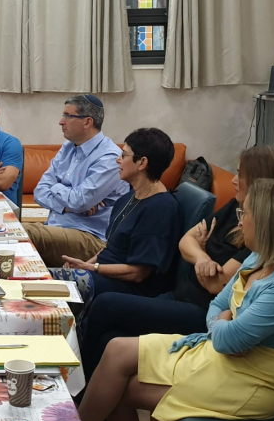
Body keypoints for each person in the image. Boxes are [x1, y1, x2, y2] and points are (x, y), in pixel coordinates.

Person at [78, 179, 274, 421]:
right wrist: (224, 320)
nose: (239, 223)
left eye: (244, 214)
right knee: (117, 349)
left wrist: (224, 324)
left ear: (268, 223)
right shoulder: (260, 257)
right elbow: (218, 305)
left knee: (123, 390)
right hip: (224, 357)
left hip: (251, 382)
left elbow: (227, 340)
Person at [79, 145, 274, 380]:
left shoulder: (262, 231)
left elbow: (218, 285)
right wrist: (202, 258)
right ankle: (79, 388)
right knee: (109, 337)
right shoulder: (235, 207)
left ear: (261, 180)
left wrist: (199, 252)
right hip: (180, 296)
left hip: (200, 312)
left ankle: (78, 391)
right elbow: (186, 241)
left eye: (240, 174)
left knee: (105, 305)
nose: (233, 180)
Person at [49, 127, 180, 303]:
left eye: (124, 155)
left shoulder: (160, 209)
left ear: (142, 163)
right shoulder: (128, 197)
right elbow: (109, 248)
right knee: (40, 277)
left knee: (47, 283)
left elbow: (138, 273)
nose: (118, 159)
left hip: (128, 288)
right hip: (102, 274)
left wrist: (91, 268)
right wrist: (84, 266)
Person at [23, 95, 128, 267]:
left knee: (22, 233)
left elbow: (79, 201)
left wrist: (56, 187)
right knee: (8, 230)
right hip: (57, 226)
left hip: (90, 236)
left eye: (67, 116)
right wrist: (68, 206)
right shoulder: (68, 147)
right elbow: (40, 191)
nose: (61, 122)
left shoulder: (109, 157)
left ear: (87, 122)